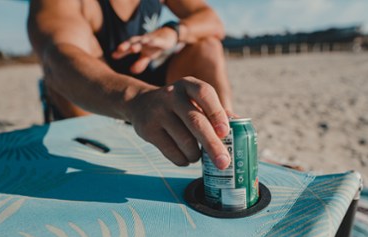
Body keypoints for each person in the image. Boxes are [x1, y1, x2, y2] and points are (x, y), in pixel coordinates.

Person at [27, 0, 234, 170]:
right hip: (93, 99)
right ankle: (97, 153)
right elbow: (55, 59)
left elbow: (213, 22)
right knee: (65, 62)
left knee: (207, 46)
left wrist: (172, 33)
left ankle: (224, 142)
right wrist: (135, 98)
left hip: (148, 87)